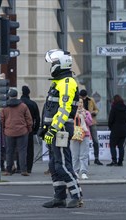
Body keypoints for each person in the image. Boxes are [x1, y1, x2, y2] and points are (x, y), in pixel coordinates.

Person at [41, 49, 83, 209]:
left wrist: (52, 129)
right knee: (53, 164)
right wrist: (44, 128)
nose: (51, 66)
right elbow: (50, 108)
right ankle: (59, 197)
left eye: (53, 63)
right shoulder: (58, 82)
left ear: (60, 63)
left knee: (62, 164)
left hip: (61, 128)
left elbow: (64, 110)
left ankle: (77, 196)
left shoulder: (67, 82)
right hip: (54, 128)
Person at [0, 89, 33, 177]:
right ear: (17, 95)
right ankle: (23, 170)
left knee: (9, 151)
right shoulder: (23, 106)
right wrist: (29, 129)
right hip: (22, 131)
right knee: (22, 151)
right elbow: (29, 119)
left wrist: (4, 129)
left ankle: (8, 170)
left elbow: (2, 120)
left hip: (9, 132)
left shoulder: (5, 107)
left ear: (9, 96)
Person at [70, 98, 93, 180]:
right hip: (74, 135)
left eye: (81, 102)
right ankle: (75, 171)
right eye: (78, 102)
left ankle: (83, 172)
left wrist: (84, 116)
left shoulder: (86, 112)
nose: (80, 104)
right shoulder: (72, 112)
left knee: (84, 155)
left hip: (85, 135)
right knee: (74, 155)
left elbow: (90, 123)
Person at [79, 89, 103, 165]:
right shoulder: (79, 101)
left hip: (91, 121)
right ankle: (86, 159)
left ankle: (96, 158)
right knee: (84, 141)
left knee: (95, 140)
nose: (84, 99)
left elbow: (96, 109)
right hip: (82, 123)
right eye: (82, 97)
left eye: (84, 97)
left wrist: (94, 113)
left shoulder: (91, 100)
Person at [20, 85, 40, 173]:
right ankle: (29, 167)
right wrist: (35, 129)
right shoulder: (33, 104)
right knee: (29, 149)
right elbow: (37, 118)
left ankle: (20, 167)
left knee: (20, 148)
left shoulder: (19, 103)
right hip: (30, 129)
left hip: (19, 128)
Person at [106, 95, 126, 166]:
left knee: (112, 145)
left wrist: (110, 126)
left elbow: (111, 119)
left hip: (115, 130)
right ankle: (120, 161)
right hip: (123, 129)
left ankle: (114, 160)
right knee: (121, 146)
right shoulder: (124, 107)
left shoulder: (114, 108)